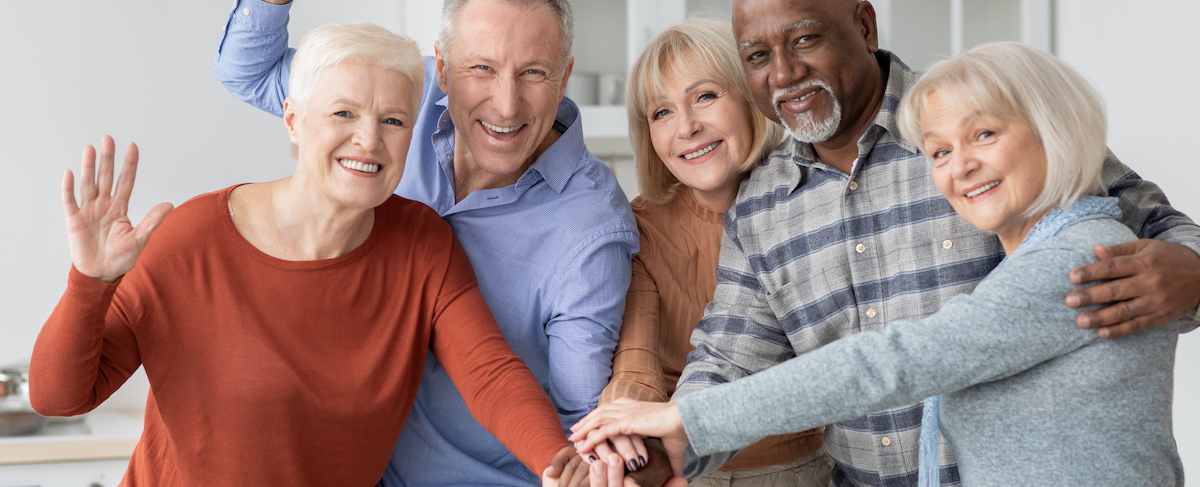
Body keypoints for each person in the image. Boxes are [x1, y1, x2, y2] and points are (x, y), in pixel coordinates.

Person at [588, 0, 1200, 485]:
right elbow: (729, 358)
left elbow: (1150, 226)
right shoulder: (761, 203)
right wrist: (665, 447)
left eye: (805, 39)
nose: (783, 73)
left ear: (864, 24)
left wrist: (1196, 270)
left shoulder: (977, 124)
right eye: (756, 55)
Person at [31, 24, 587, 486]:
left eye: (393, 120)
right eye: (343, 114)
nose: (369, 139)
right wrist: (89, 281)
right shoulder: (193, 239)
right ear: (294, 121)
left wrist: (557, 463)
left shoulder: (420, 242)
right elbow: (59, 397)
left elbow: (489, 374)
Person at [213, 0, 641, 485]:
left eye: (533, 73)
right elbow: (250, 73)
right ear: (441, 67)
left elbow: (577, 429)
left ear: (563, 79)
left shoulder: (591, 227)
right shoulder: (394, 102)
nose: (506, 103)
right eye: (481, 68)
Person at [595, 18, 831, 487]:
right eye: (661, 113)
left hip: (801, 471)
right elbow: (636, 361)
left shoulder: (811, 203)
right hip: (682, 469)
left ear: (751, 98)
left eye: (705, 96)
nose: (687, 127)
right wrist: (620, 433)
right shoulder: (640, 228)